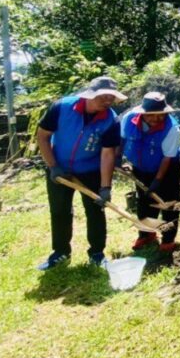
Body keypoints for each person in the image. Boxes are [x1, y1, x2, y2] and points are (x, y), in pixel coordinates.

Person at [35, 75, 125, 269]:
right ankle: (60, 253)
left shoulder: (111, 120)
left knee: (95, 211)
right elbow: (42, 137)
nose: (108, 101)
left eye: (111, 98)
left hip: (90, 170)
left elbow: (108, 154)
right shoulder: (61, 108)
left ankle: (97, 254)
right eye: (103, 96)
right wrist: (53, 166)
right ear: (90, 94)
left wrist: (105, 187)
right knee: (59, 211)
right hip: (59, 168)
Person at [119, 91, 180, 253]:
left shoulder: (171, 129)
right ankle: (146, 234)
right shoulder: (129, 119)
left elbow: (167, 158)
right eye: (151, 115)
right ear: (142, 113)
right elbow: (122, 139)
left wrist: (158, 180)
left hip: (167, 169)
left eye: (160, 115)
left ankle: (168, 240)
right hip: (140, 167)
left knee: (168, 203)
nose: (156, 119)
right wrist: (118, 159)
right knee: (144, 201)